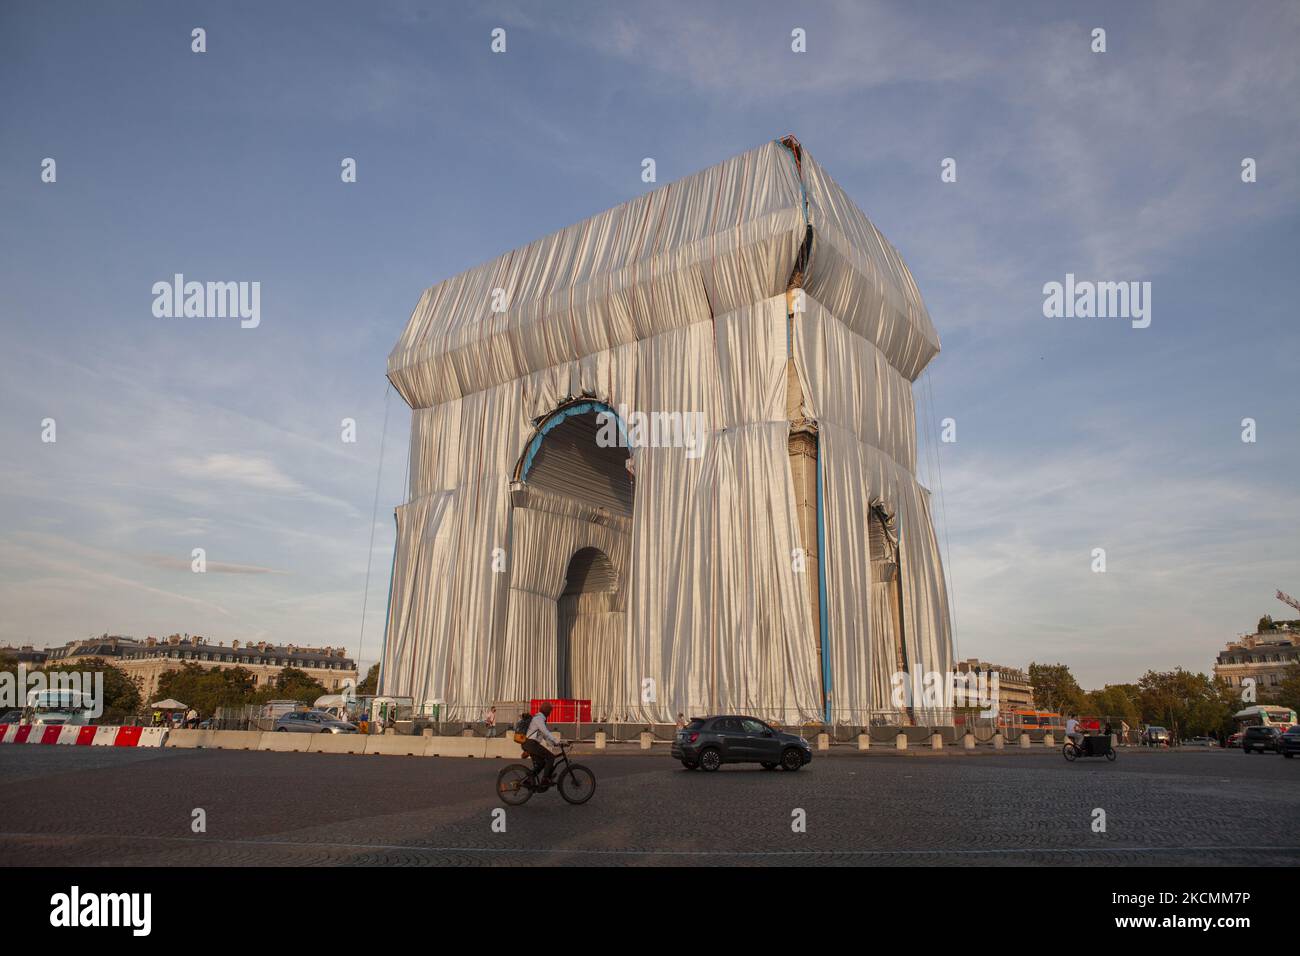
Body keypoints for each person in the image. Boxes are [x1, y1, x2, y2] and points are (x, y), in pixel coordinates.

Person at [523, 702, 561, 785]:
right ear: (547, 711)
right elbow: (545, 732)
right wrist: (556, 740)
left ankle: (529, 779)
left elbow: (543, 735)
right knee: (551, 757)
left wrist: (552, 743)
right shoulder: (539, 719)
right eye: (550, 712)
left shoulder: (539, 718)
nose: (550, 714)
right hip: (531, 744)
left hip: (530, 744)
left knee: (542, 763)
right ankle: (545, 779)